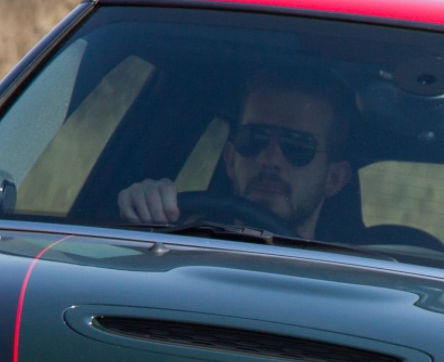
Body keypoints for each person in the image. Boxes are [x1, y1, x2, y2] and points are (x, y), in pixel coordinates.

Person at [117, 68, 354, 239]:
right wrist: (144, 208)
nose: (269, 159)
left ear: (334, 178)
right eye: (254, 139)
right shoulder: (176, 242)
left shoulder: (348, 282)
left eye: (297, 146)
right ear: (230, 159)